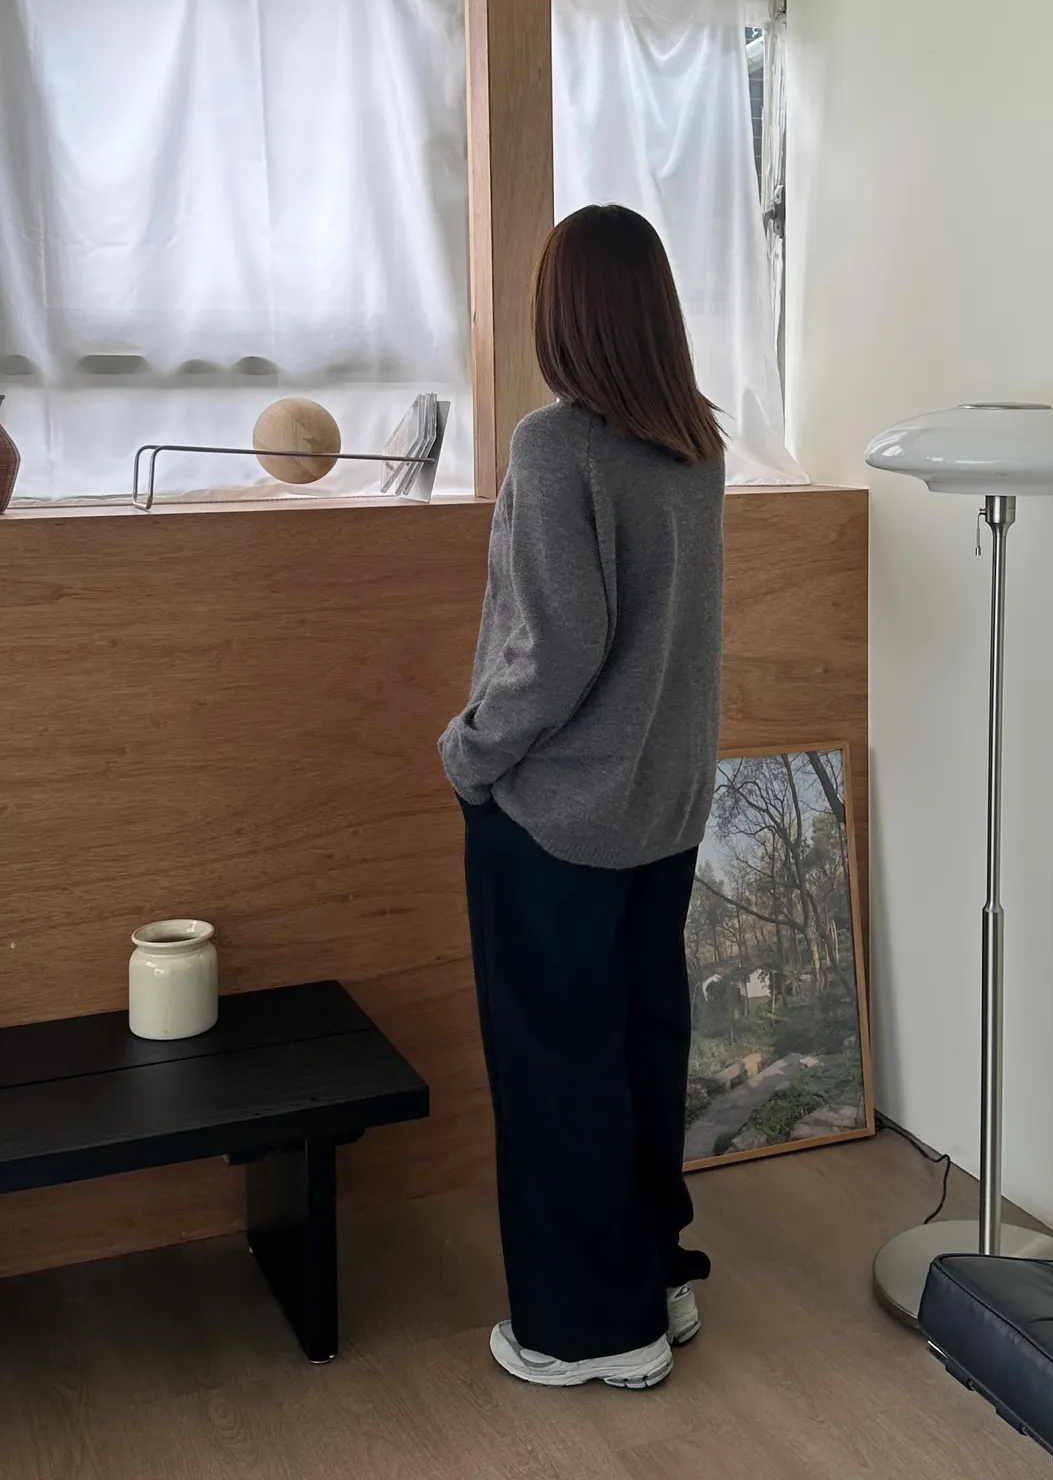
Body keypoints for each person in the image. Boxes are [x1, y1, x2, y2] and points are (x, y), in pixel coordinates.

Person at [439, 204, 725, 1392]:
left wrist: (470, 752)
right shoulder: (696, 441)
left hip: (555, 816)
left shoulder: (557, 447)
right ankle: (655, 1275)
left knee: (555, 1065)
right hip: (665, 808)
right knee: (640, 1046)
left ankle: (591, 1328)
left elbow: (551, 652)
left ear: (565, 315)